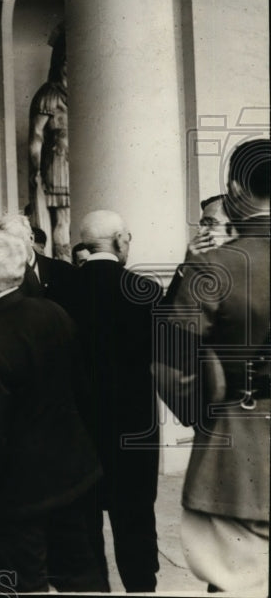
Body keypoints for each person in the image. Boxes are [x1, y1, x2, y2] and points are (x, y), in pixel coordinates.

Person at [0, 229, 105, 592]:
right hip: (74, 476)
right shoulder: (53, 312)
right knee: (82, 579)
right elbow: (84, 393)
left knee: (26, 585)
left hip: (20, 496)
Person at [167, 139, 270, 595]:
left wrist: (205, 413)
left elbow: (170, 362)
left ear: (233, 191)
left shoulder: (211, 268)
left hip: (239, 456)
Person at [67, 210, 162, 592]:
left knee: (85, 521)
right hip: (133, 429)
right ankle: (141, 587)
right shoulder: (145, 291)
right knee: (135, 521)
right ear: (121, 241)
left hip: (79, 428)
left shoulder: (61, 292)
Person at [28, 25, 70, 260]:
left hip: (73, 162)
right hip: (57, 162)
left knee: (70, 218)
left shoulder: (76, 93)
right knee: (63, 219)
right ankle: (64, 265)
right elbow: (36, 135)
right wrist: (35, 171)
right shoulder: (49, 94)